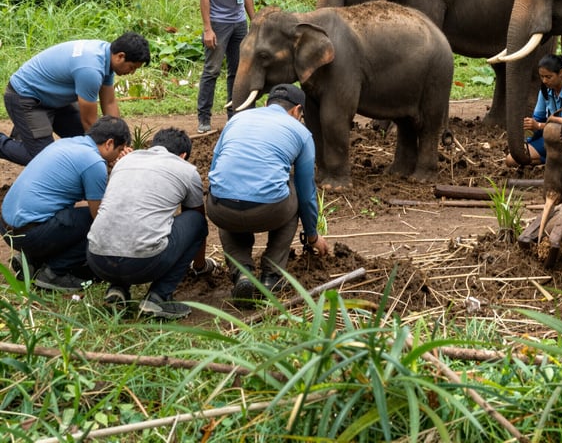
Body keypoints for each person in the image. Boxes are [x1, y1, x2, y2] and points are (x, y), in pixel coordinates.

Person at [206, 83, 329, 303]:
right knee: (293, 186)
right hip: (270, 210)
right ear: (297, 111)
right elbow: (307, 192)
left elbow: (215, 170)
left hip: (221, 209)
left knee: (226, 189)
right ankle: (271, 276)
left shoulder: (236, 120)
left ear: (266, 104)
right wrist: (312, 236)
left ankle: (242, 272)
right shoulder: (301, 132)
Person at [87, 127, 215, 320]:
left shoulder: (125, 161)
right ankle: (159, 297)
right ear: (183, 155)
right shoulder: (186, 170)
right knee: (196, 221)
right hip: (143, 262)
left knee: (128, 216)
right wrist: (199, 266)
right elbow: (196, 223)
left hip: (96, 258)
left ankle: (117, 289)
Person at [0, 116, 132, 293]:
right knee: (96, 221)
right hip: (29, 235)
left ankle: (33, 261)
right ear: (109, 143)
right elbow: (100, 215)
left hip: (7, 227)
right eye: (120, 149)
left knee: (68, 212)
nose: (119, 155)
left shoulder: (67, 143)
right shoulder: (93, 163)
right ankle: (54, 272)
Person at [0, 31, 150, 166]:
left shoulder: (106, 57)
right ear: (121, 56)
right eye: (132, 67)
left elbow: (109, 103)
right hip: (26, 98)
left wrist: (120, 144)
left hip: (55, 100)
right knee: (45, 159)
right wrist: (106, 154)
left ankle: (30, 132)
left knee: (87, 138)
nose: (132, 73)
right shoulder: (91, 69)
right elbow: (89, 122)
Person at [197, 0, 257, 133]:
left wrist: (254, 20)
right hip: (218, 22)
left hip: (238, 21)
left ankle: (235, 115)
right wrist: (207, 28)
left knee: (238, 70)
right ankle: (204, 118)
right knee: (212, 70)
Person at [505, 54, 562, 167]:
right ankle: (553, 160)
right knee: (512, 160)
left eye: (548, 77)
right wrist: (530, 130)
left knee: (517, 159)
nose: (544, 81)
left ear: (560, 73)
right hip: (553, 137)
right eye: (542, 77)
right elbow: (538, 117)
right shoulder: (546, 90)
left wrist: (539, 126)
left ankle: (556, 160)